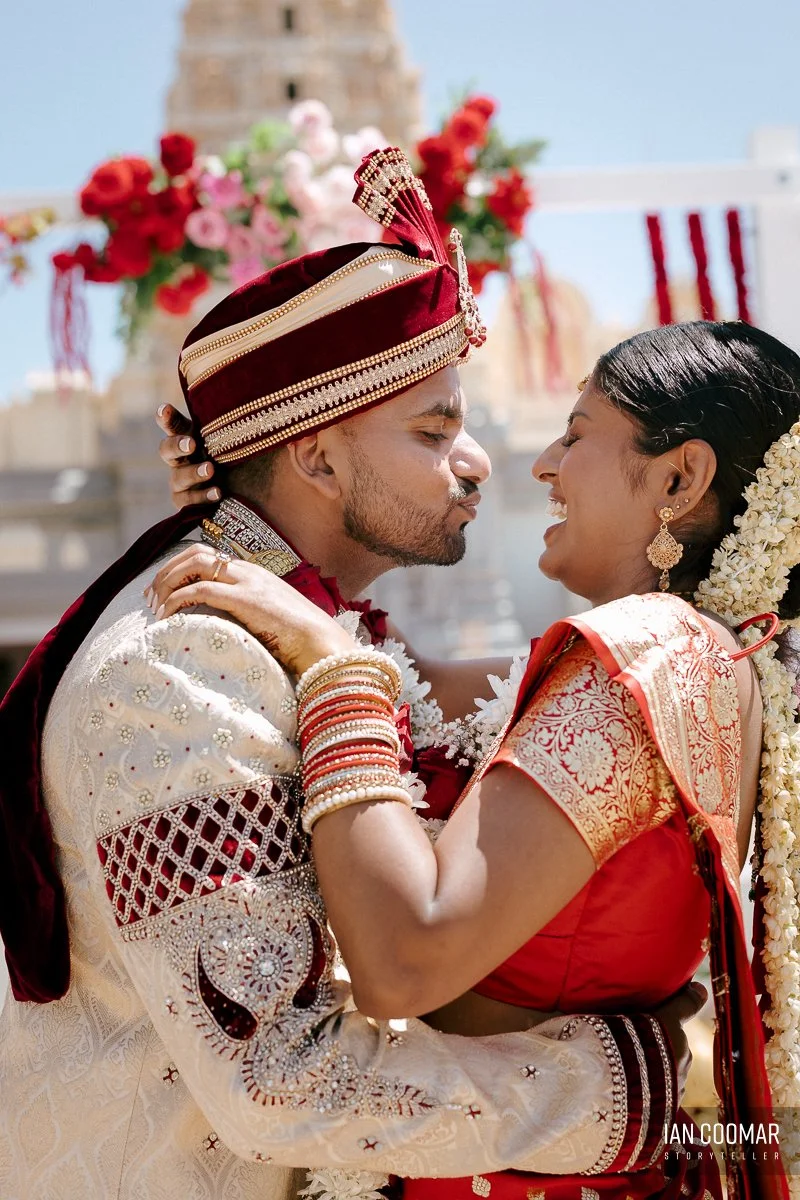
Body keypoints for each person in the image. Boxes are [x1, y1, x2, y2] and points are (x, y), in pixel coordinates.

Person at [0, 150, 687, 1200]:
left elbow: (504, 695)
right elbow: (280, 1078)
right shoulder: (184, 663)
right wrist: (636, 1092)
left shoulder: (296, 629)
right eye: (433, 429)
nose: (482, 462)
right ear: (316, 461)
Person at [152, 318, 800, 1200]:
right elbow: (410, 693)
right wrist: (256, 513)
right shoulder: (711, 655)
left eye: (577, 435)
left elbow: (404, 958)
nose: (540, 464)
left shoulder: (646, 653)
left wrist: (335, 672)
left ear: (680, 477)